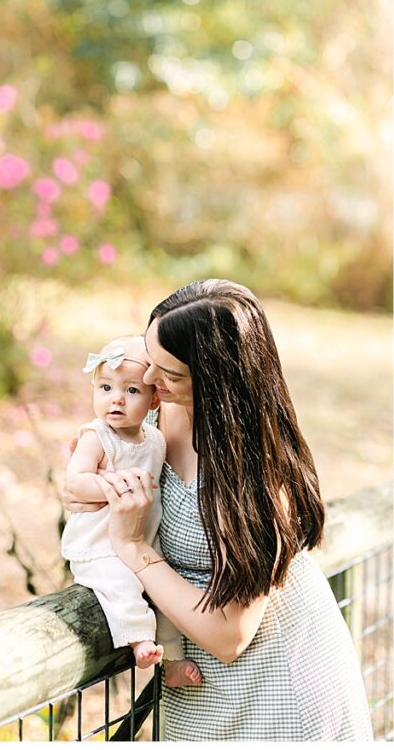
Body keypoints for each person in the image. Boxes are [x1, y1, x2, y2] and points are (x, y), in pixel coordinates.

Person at [62, 279, 372, 741]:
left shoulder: (259, 474)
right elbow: (84, 489)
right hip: (197, 687)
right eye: (150, 361)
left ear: (215, 381)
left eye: (168, 373)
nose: (148, 382)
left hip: (277, 690)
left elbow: (230, 636)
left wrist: (132, 547)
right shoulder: (148, 415)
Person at [63, 335, 201, 688]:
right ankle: (139, 640)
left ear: (154, 398)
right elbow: (76, 484)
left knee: (166, 594)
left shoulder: (154, 439)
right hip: (99, 546)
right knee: (122, 585)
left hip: (142, 541)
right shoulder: (97, 436)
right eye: (105, 387)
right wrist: (113, 486)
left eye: (131, 391)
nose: (116, 400)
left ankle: (172, 660)